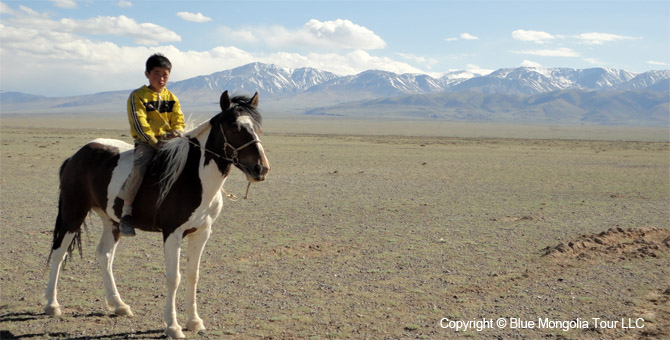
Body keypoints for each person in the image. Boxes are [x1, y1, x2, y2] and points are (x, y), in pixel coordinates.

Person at [117, 53, 185, 236]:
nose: (161, 78)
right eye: (156, 73)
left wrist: (177, 132)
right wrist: (155, 143)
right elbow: (140, 125)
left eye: (165, 74)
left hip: (170, 141)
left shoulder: (172, 98)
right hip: (147, 143)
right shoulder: (138, 96)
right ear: (147, 74)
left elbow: (178, 120)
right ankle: (126, 212)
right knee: (140, 168)